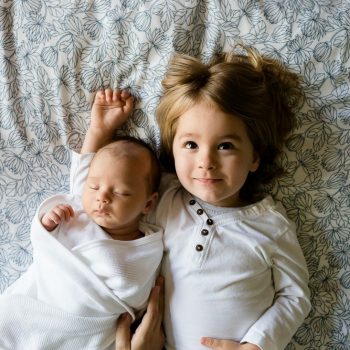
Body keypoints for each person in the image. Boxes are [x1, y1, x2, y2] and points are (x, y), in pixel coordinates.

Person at [72, 46, 311, 350]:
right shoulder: (163, 199)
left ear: (254, 157)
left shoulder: (269, 225)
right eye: (190, 145)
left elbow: (296, 296)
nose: (206, 161)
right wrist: (99, 132)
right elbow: (92, 192)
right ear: (172, 151)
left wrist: (257, 344)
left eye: (225, 146)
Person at [0, 90, 163, 350]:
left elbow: (135, 294)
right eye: (94, 187)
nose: (102, 198)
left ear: (148, 203)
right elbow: (87, 167)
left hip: (85, 329)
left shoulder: (148, 246)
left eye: (121, 192)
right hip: (35, 307)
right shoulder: (78, 209)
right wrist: (47, 223)